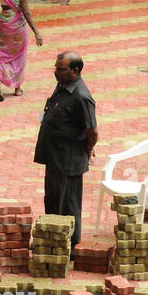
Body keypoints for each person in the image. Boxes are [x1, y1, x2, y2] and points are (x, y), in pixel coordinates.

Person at [34, 51, 98, 247]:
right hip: (55, 156)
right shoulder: (63, 85)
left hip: (68, 160)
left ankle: (69, 246)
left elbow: (92, 130)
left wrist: (89, 148)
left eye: (60, 69)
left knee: (67, 204)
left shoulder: (81, 96)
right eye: (56, 67)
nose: (56, 72)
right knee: (53, 200)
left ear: (75, 71)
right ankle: (51, 239)